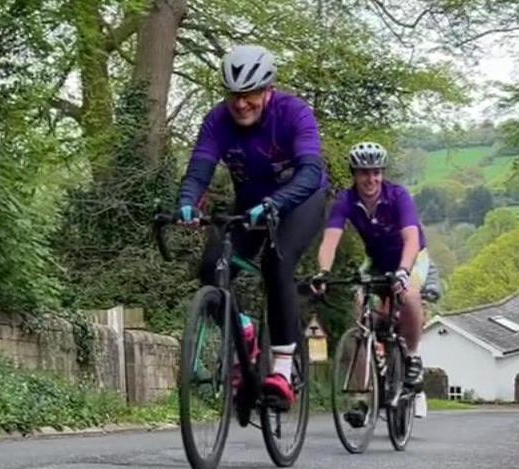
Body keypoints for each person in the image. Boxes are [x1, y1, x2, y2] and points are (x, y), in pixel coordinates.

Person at [175, 44, 329, 408]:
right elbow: (199, 171)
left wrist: (278, 201)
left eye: (250, 94)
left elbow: (311, 171)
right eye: (233, 95)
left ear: (268, 90)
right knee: (211, 266)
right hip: (250, 203)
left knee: (276, 263)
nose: (241, 104)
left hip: (299, 200)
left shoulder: (293, 113)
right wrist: (185, 203)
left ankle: (282, 369)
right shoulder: (217, 121)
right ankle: (242, 329)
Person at [312, 141, 431, 422]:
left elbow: (411, 238)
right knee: (359, 318)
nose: (371, 179)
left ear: (382, 173)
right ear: (354, 174)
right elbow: (330, 239)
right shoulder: (346, 200)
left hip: (411, 258)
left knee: (410, 295)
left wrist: (403, 271)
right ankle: (360, 398)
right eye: (364, 173)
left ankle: (412, 357)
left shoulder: (397, 195)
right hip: (376, 262)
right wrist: (323, 272)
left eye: (376, 172)